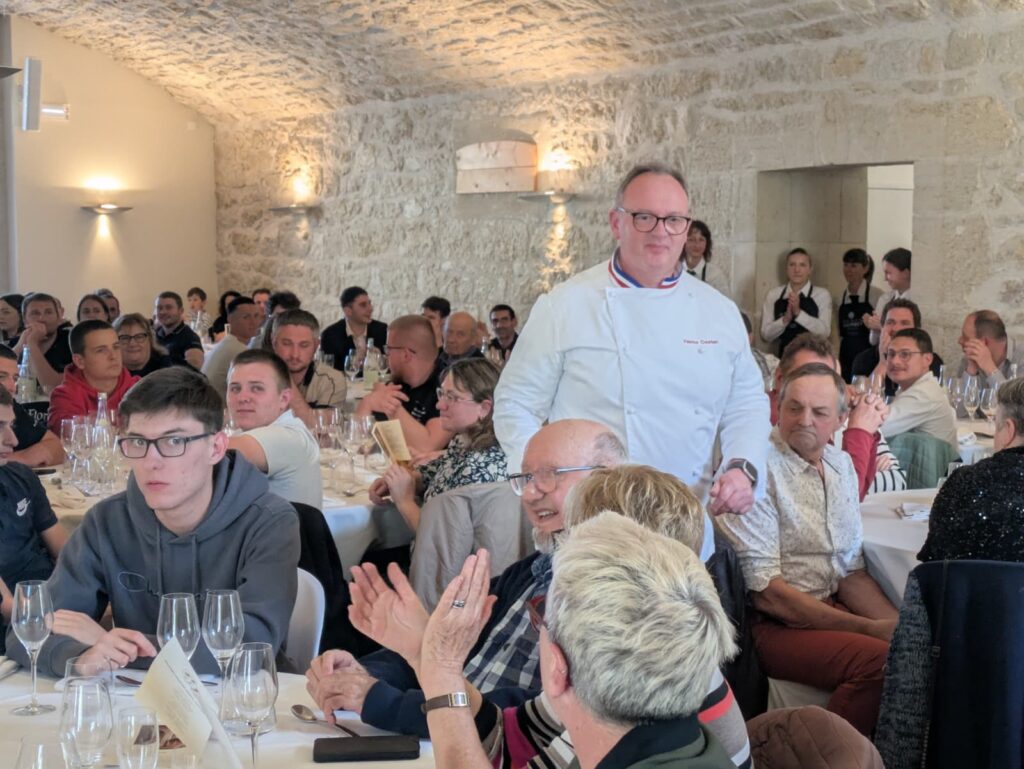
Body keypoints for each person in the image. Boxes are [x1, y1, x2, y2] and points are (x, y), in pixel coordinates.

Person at [328, 463, 751, 769]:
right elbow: (509, 741)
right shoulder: (622, 673)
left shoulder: (642, 695)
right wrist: (427, 654)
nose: (555, 555)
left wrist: (437, 668)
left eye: (571, 542)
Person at [494, 163, 769, 561]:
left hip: (685, 525)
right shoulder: (566, 306)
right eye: (644, 217)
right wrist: (542, 483)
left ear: (687, 226)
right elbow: (515, 402)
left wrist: (743, 468)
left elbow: (746, 403)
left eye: (673, 219)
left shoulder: (718, 312)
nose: (660, 231)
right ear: (616, 223)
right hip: (589, 526)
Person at [305, 420, 625, 736]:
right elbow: (444, 648)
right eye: (525, 477)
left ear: (607, 477)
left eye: (549, 475)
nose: (529, 492)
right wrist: (362, 673)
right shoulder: (531, 573)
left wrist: (381, 700)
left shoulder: (620, 593)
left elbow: (530, 717)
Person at [6, 367, 300, 676]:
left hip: (242, 704)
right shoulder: (107, 521)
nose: (151, 462)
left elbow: (251, 646)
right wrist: (81, 656)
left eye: (174, 442)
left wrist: (108, 644)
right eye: (137, 442)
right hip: (135, 705)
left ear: (216, 447)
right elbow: (28, 631)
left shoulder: (269, 522)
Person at [718, 362, 898, 735]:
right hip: (774, 626)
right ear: (777, 408)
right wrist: (870, 628)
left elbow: (851, 571)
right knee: (881, 661)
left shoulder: (841, 464)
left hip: (827, 607)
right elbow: (769, 595)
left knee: (915, 647)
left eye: (819, 412)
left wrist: (899, 626)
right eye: (794, 408)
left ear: (840, 419)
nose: (804, 420)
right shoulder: (756, 470)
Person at [370, 358, 508, 531]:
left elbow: (441, 541)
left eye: (452, 397)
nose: (439, 404)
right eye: (441, 394)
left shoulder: (479, 467)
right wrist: (407, 480)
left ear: (484, 408)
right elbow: (439, 473)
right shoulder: (464, 441)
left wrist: (404, 501)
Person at [770, 334, 904, 499]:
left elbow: (897, 480)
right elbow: (835, 498)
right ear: (779, 380)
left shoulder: (848, 414)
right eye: (803, 375)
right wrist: (859, 434)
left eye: (827, 380)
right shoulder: (763, 423)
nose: (815, 390)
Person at [919, 376, 1024, 562]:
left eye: (996, 427)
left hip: (973, 590)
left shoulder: (966, 481)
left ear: (1008, 430)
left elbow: (935, 563)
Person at [226, 349, 322, 509]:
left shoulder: (289, 437)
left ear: (284, 399)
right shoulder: (243, 433)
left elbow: (210, 450)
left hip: (282, 534)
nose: (242, 397)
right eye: (235, 388)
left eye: (256, 388)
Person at [0, 386, 67, 605]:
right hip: (19, 619)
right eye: (0, 427)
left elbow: (65, 554)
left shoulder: (20, 476)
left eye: (11, 426)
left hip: (49, 595)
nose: (13, 440)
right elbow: (8, 607)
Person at [356, 315, 451, 454]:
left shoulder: (448, 387)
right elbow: (357, 442)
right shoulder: (397, 384)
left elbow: (427, 447)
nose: (386, 356)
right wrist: (368, 402)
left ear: (406, 355)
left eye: (388, 349)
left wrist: (392, 406)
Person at [47, 320, 139, 433]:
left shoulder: (139, 388)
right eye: (101, 350)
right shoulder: (64, 395)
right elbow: (69, 436)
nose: (113, 356)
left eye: (116, 347)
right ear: (80, 361)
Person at [850, 297, 943, 398]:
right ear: (882, 327)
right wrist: (883, 362)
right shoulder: (863, 360)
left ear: (917, 330)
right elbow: (858, 403)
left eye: (904, 323)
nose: (896, 328)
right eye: (890, 322)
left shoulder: (928, 360)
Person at [880, 329, 957, 449]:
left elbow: (873, 428)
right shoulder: (916, 387)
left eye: (905, 354)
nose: (895, 361)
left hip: (929, 467)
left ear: (927, 359)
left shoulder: (923, 394)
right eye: (891, 354)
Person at [270, 309, 348, 429]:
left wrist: (283, 376)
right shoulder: (257, 376)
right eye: (287, 344)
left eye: (304, 345)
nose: (295, 354)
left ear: (316, 346)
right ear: (274, 343)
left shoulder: (331, 380)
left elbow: (319, 431)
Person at [759, 247, 832, 357]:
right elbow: (766, 335)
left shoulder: (821, 295)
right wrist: (785, 319)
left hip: (813, 357)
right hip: (784, 357)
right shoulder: (773, 295)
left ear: (810, 269)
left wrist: (798, 313)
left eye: (802, 265)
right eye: (792, 265)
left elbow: (824, 333)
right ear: (786, 268)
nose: (797, 270)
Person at [0, 346, 64, 467]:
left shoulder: (12, 408)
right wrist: (21, 458)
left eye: (14, 379)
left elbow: (57, 447)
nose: (12, 387)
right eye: (1, 377)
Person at [201, 297, 264, 398]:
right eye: (246, 317)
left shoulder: (228, 343)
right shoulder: (237, 351)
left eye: (256, 316)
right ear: (230, 319)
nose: (253, 322)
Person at [12, 293, 73, 391]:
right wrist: (20, 346)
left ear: (59, 318)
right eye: (35, 313)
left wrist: (32, 344)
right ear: (24, 320)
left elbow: (52, 387)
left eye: (48, 312)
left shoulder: (71, 342)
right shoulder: (16, 342)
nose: (42, 318)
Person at [320, 286, 388, 372]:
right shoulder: (330, 335)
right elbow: (328, 372)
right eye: (363, 305)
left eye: (369, 303)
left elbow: (389, 367)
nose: (370, 309)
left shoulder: (381, 330)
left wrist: (380, 359)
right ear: (348, 311)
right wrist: (352, 364)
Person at [837, 248, 881, 382]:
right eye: (846, 265)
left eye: (854, 265)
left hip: (867, 353)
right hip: (846, 354)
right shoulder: (840, 297)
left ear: (865, 268)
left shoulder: (877, 296)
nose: (848, 270)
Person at [957, 309, 1024, 388]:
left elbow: (1015, 399)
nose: (959, 341)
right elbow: (959, 398)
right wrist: (971, 371)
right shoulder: (968, 359)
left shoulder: (1021, 357)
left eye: (966, 337)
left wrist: (990, 369)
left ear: (984, 343)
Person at [864, 247, 912, 346]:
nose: (885, 278)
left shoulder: (919, 301)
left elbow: (913, 339)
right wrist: (873, 326)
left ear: (906, 273)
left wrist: (882, 327)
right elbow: (873, 341)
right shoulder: (885, 299)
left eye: (888, 273)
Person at [153, 291, 205, 370]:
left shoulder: (190, 338)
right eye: (159, 308)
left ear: (181, 311)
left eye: (168, 307)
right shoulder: (153, 335)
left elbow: (194, 372)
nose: (163, 312)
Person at [113, 313, 174, 378]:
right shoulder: (109, 370)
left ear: (150, 339)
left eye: (139, 337)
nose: (132, 343)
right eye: (125, 338)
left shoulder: (164, 367)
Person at [681, 219, 730, 297]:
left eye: (701, 240)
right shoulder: (674, 272)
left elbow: (724, 306)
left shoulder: (715, 276)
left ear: (707, 243)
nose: (697, 245)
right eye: (691, 240)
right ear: (683, 242)